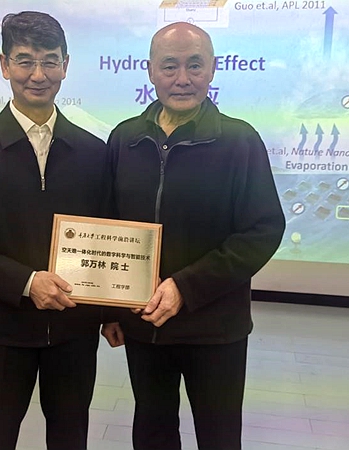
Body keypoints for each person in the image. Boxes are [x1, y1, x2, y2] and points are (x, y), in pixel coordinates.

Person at [101, 22, 286, 450]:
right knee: (152, 432)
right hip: (144, 325)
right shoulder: (125, 139)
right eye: (170, 66)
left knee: (219, 435)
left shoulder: (240, 141)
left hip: (216, 328)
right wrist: (110, 308)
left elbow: (263, 230)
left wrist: (186, 287)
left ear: (213, 69)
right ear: (150, 70)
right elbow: (108, 225)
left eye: (194, 65)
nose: (182, 78)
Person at [0, 11, 108, 450]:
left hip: (73, 329)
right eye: (25, 60)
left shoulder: (94, 153)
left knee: (70, 436)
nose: (38, 74)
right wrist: (28, 283)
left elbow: (107, 238)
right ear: (3, 65)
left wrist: (113, 311)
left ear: (65, 66)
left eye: (50, 61)